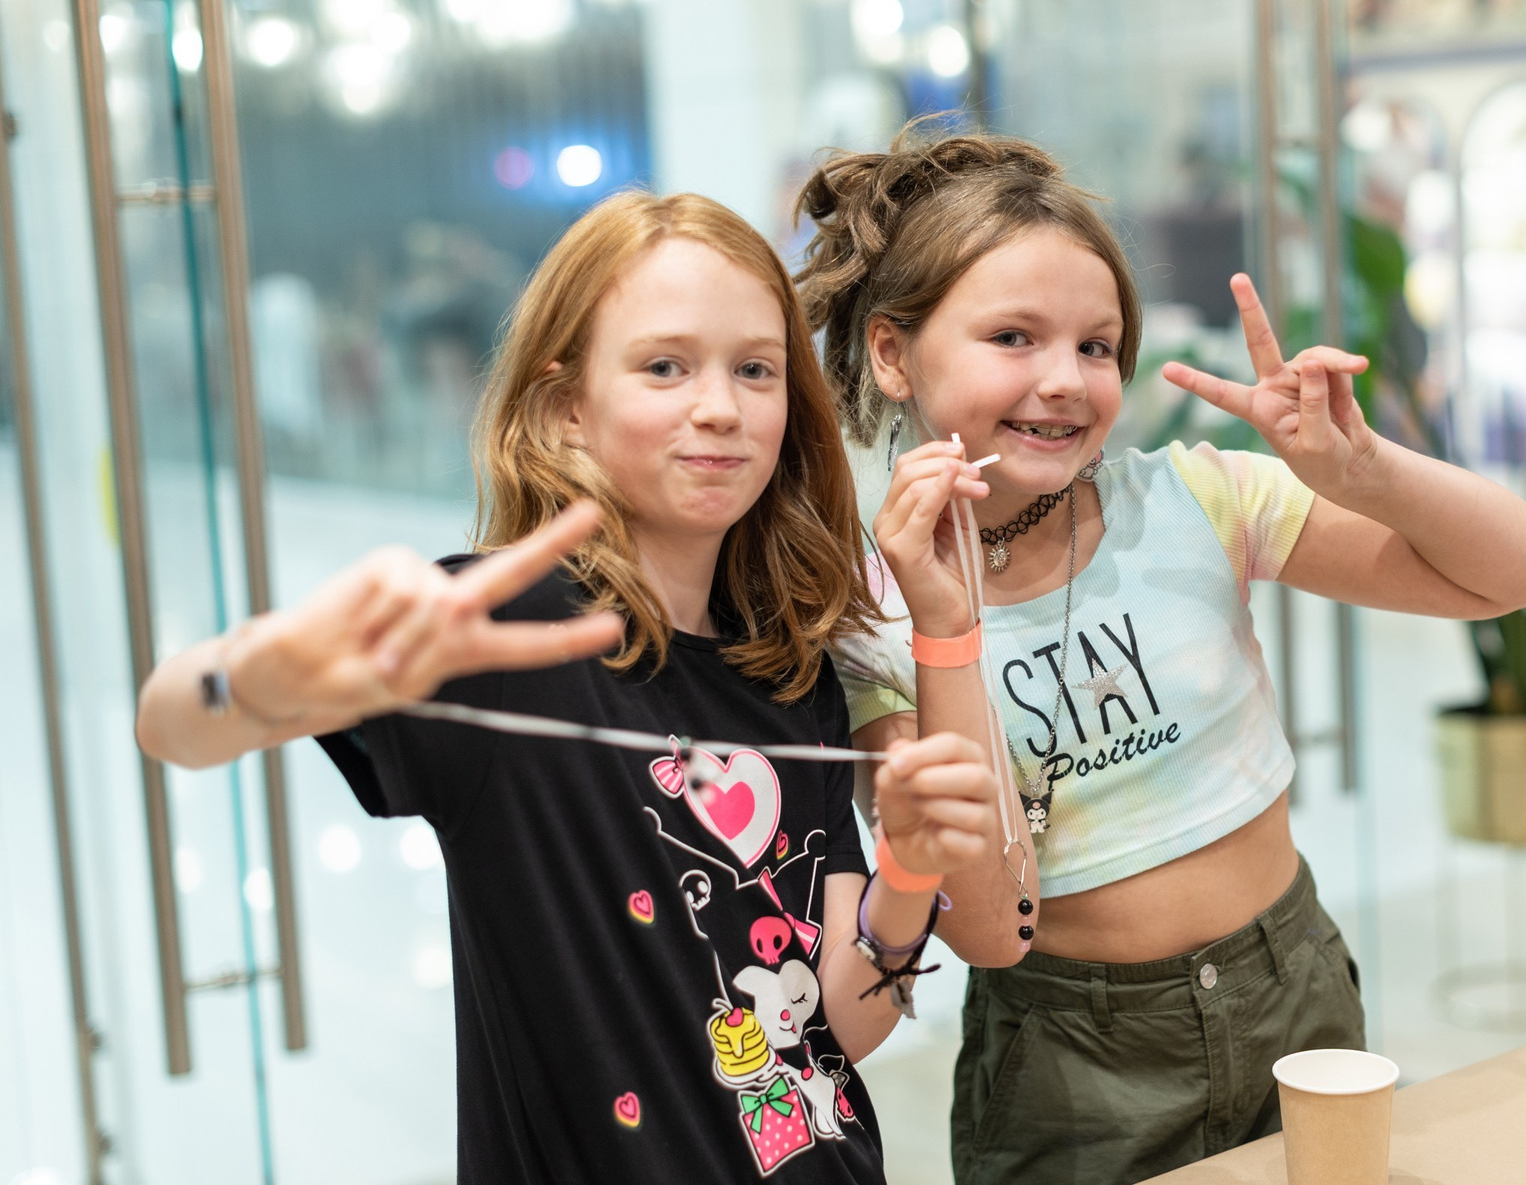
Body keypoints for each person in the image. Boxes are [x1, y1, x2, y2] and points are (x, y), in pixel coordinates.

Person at [135, 191, 997, 1184]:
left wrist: (908, 875)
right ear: (565, 409)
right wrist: (250, 675)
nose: (720, 406)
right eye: (664, 366)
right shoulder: (505, 633)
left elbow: (840, 1027)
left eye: (755, 369)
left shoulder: (789, 668)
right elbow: (171, 725)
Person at [799, 128, 1526, 1184]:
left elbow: (1525, 571)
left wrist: (1366, 471)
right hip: (1071, 1065)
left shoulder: (1199, 497)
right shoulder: (873, 618)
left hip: (1293, 990)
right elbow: (985, 929)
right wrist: (946, 626)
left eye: (1097, 345)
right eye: (1013, 337)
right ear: (894, 354)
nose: (1065, 380)